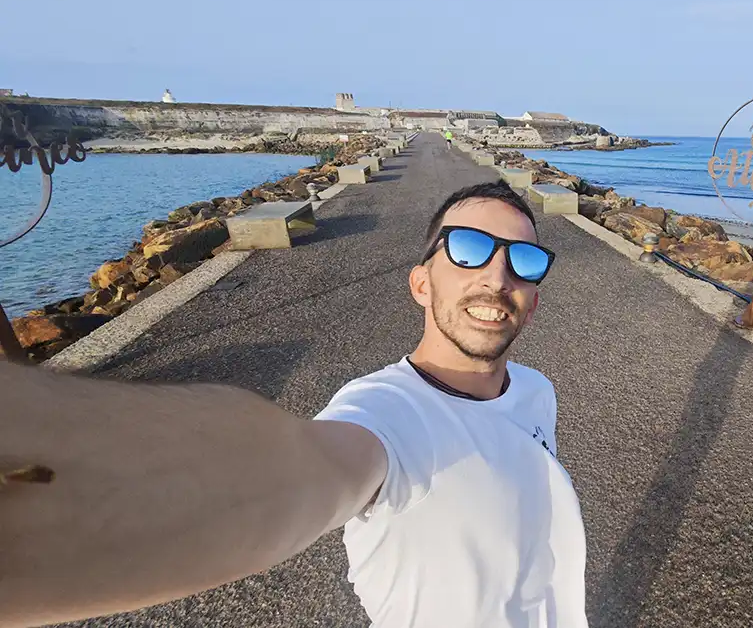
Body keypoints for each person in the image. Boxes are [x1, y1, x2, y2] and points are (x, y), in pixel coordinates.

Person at [0, 179, 588, 627]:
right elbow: (294, 470)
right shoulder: (385, 414)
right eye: (469, 248)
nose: (497, 276)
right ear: (420, 284)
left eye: (522, 259)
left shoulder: (537, 391)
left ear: (533, 301)